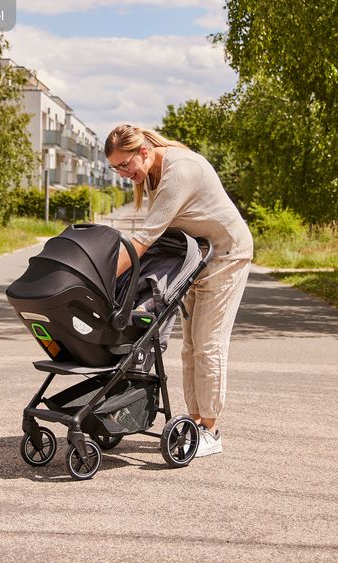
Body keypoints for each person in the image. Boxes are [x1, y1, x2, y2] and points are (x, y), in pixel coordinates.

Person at [105, 124, 253, 457]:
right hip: (198, 258)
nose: (122, 173)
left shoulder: (179, 169)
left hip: (227, 255)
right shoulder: (151, 174)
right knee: (191, 346)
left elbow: (144, 239)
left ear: (143, 151)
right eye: (115, 168)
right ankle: (196, 422)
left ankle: (211, 431)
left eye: (125, 164)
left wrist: (103, 279)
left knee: (209, 343)